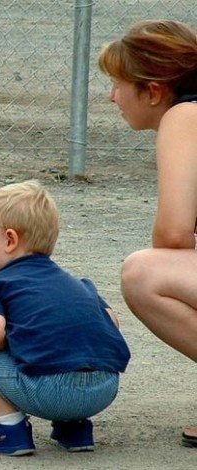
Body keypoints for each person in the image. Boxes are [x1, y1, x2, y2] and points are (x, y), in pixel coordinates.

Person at [0, 180, 131, 456]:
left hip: (50, 392)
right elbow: (111, 321)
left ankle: (9, 429)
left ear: (10, 240)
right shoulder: (76, 283)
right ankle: (74, 429)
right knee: (71, 344)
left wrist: (21, 337)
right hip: (104, 389)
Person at [98, 19, 197, 448]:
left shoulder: (184, 116)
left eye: (119, 85)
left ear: (153, 90)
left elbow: (174, 234)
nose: (112, 96)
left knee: (143, 273)